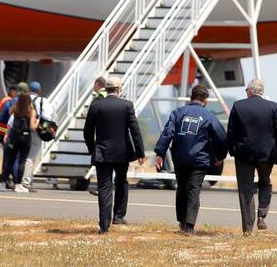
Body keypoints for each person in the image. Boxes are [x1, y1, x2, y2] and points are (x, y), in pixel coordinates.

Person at [154, 85, 227, 235]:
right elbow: (221, 137)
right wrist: (220, 156)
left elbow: (168, 133)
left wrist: (160, 153)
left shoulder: (178, 113)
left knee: (181, 188)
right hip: (199, 161)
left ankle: (181, 221)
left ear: (191, 97)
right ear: (205, 100)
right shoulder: (209, 116)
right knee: (193, 190)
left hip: (180, 159)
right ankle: (189, 226)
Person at [83, 76, 145, 233]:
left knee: (104, 187)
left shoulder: (96, 106)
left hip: (102, 152)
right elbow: (135, 130)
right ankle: (118, 216)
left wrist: (92, 148)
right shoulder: (127, 106)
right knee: (121, 182)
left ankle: (104, 225)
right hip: (122, 153)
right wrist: (140, 152)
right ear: (119, 89)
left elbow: (87, 131)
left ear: (105, 89)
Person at [226, 78, 277, 236]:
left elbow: (231, 131)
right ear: (262, 91)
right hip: (266, 155)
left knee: (245, 189)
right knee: (265, 183)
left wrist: (230, 150)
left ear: (250, 91)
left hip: (243, 154)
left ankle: (247, 228)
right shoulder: (273, 107)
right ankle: (262, 216)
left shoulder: (238, 106)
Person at [18, 81, 56, 190]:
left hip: (22, 131)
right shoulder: (42, 101)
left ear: (29, 90)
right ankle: (25, 182)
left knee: (22, 156)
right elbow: (48, 117)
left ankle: (19, 180)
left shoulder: (23, 99)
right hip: (35, 130)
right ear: (39, 91)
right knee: (31, 157)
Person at [3, 93, 37, 193]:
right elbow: (32, 127)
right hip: (25, 138)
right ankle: (18, 184)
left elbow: (9, 113)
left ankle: (3, 183)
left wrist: (15, 106)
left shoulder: (16, 108)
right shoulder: (31, 111)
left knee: (11, 160)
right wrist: (37, 122)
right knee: (22, 161)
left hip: (14, 136)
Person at [0, 85, 17, 189]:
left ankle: (5, 178)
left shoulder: (4, 100)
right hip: (5, 133)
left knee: (7, 157)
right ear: (12, 91)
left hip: (2, 132)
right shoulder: (8, 101)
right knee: (8, 158)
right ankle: (5, 178)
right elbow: (3, 118)